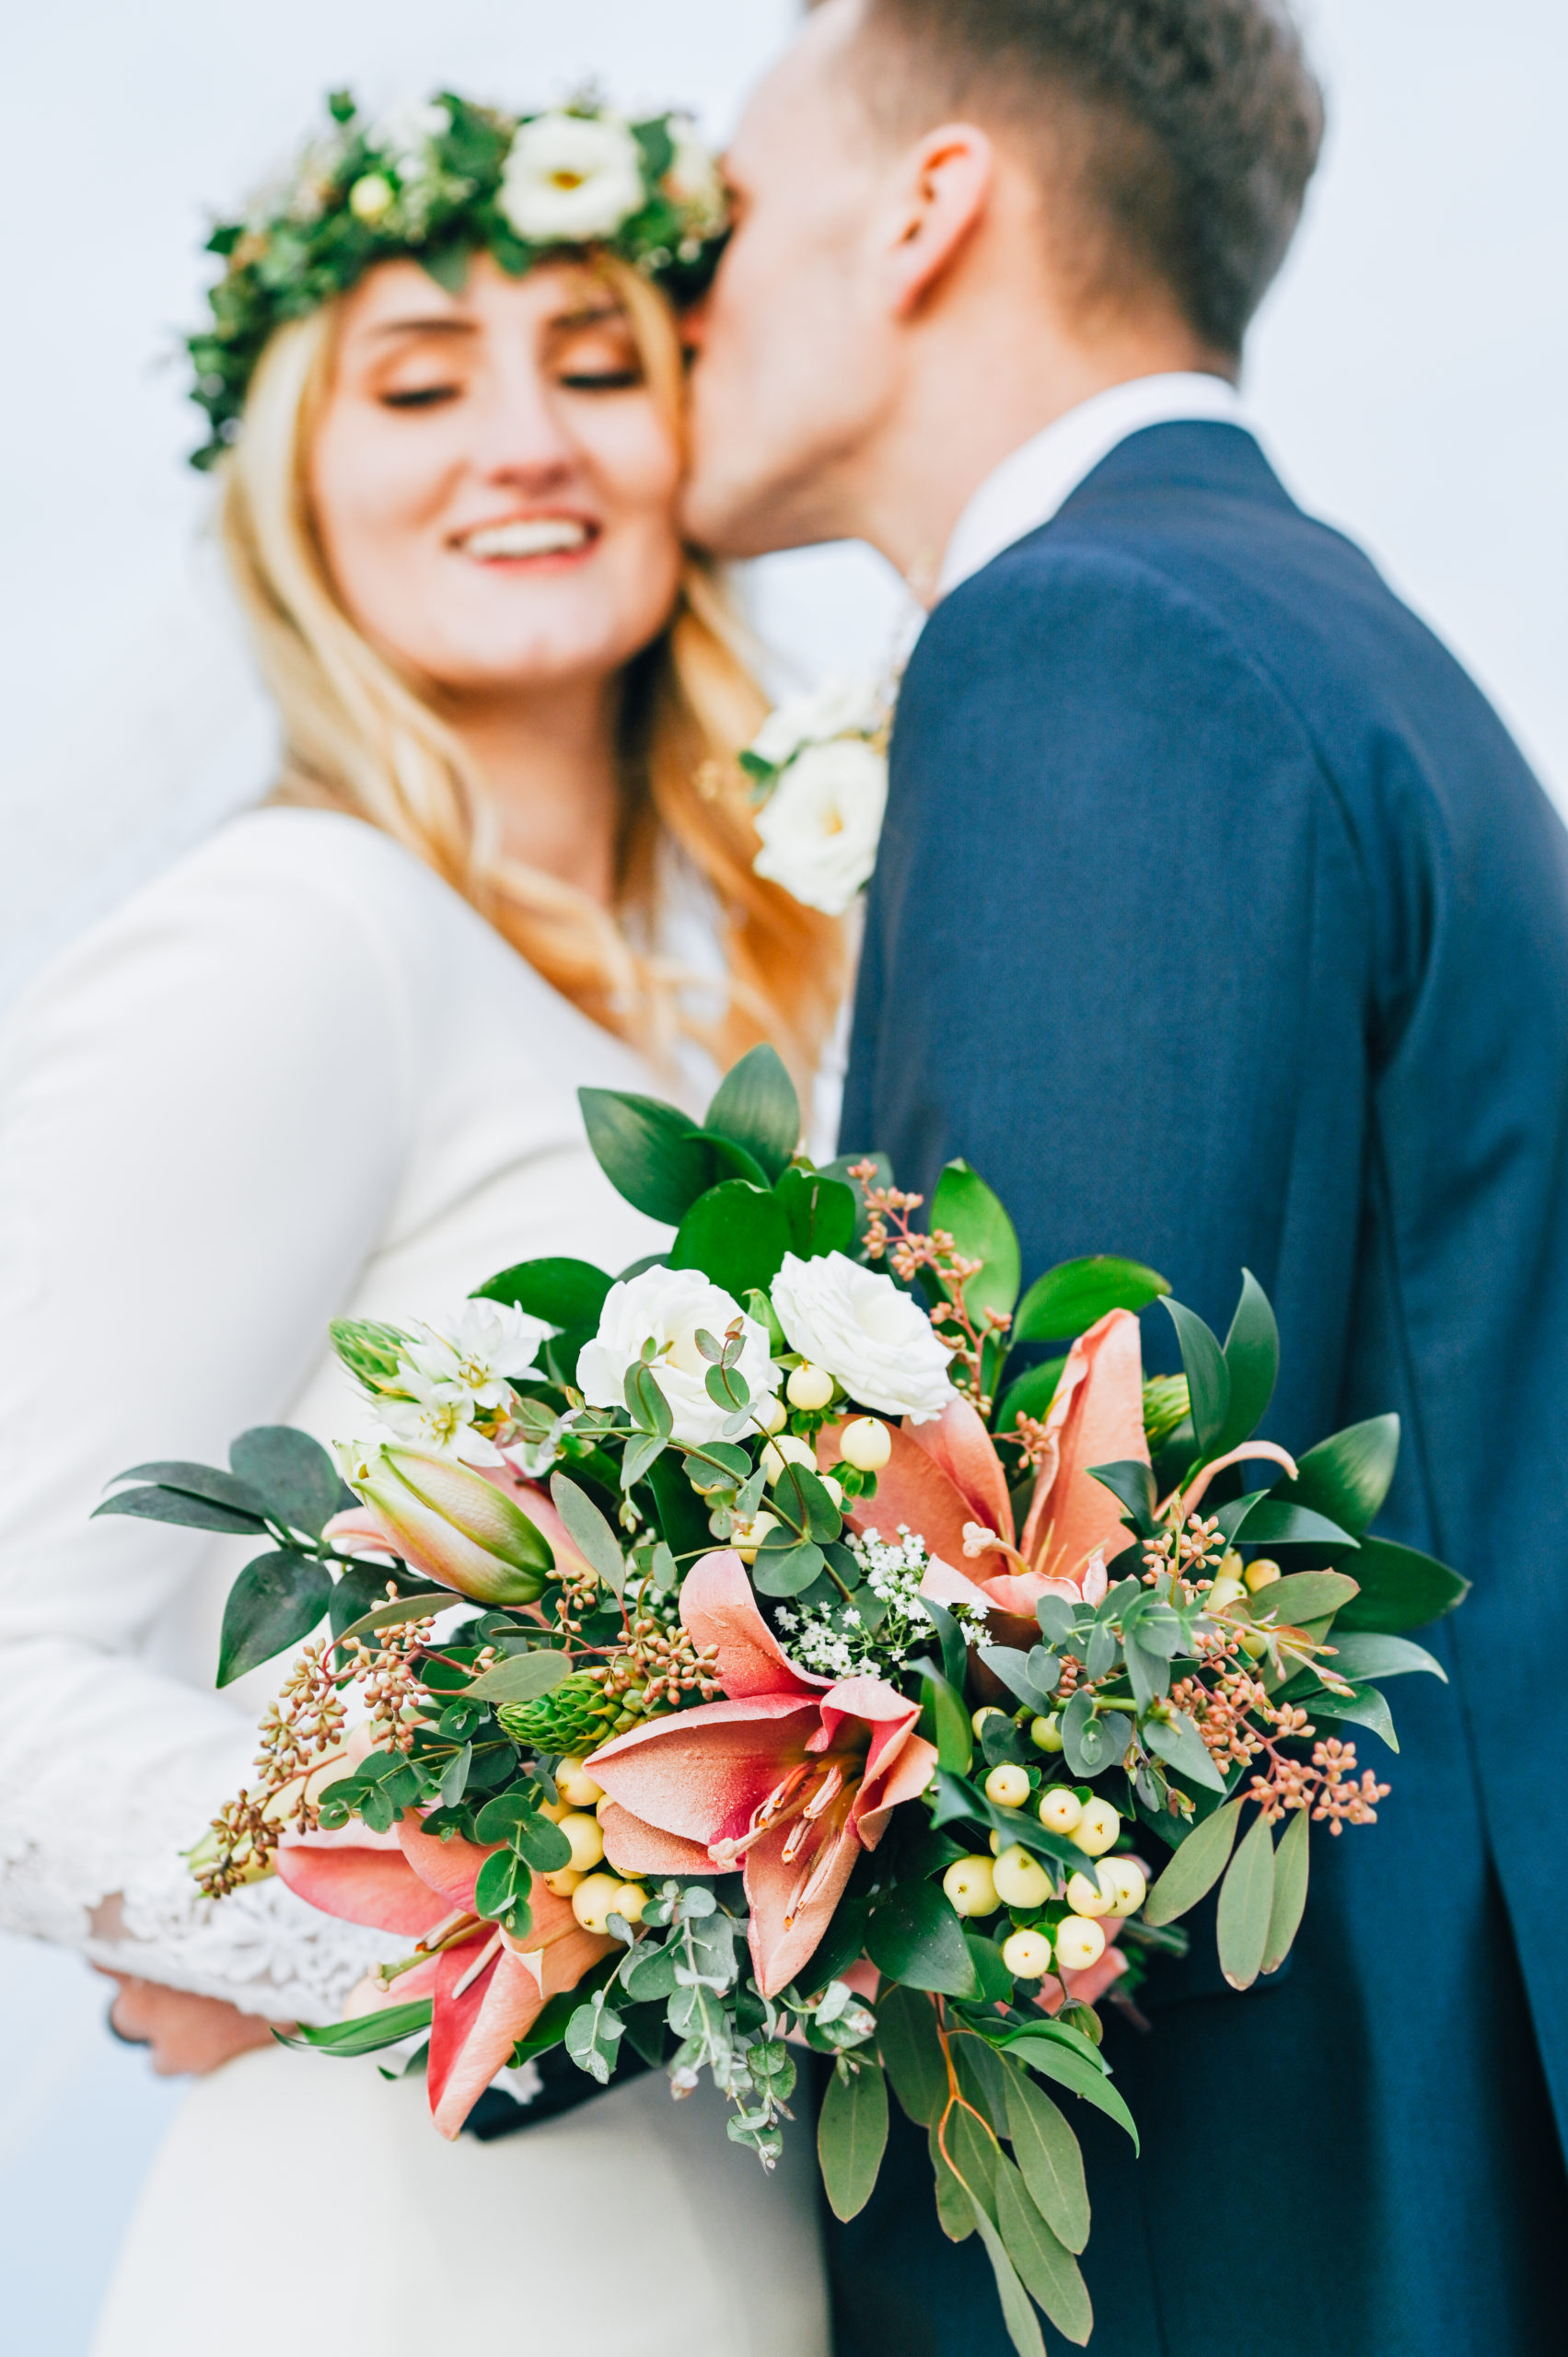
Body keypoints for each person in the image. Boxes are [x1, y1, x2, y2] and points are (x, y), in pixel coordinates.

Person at [680, 3, 1568, 2352]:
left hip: (1229, 2188)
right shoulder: (1306, 616)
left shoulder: (1098, 637)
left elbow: (1022, 1586)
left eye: (726, 218)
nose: (681, 301)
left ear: (931, 210)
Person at [0, 90, 839, 2357]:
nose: (525, 442)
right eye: (416, 384)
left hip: (705, 2225)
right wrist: (463, 1922)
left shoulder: (677, 1034)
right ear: (293, 478)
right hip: (419, 2246)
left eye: (595, 364)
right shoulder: (298, 932)